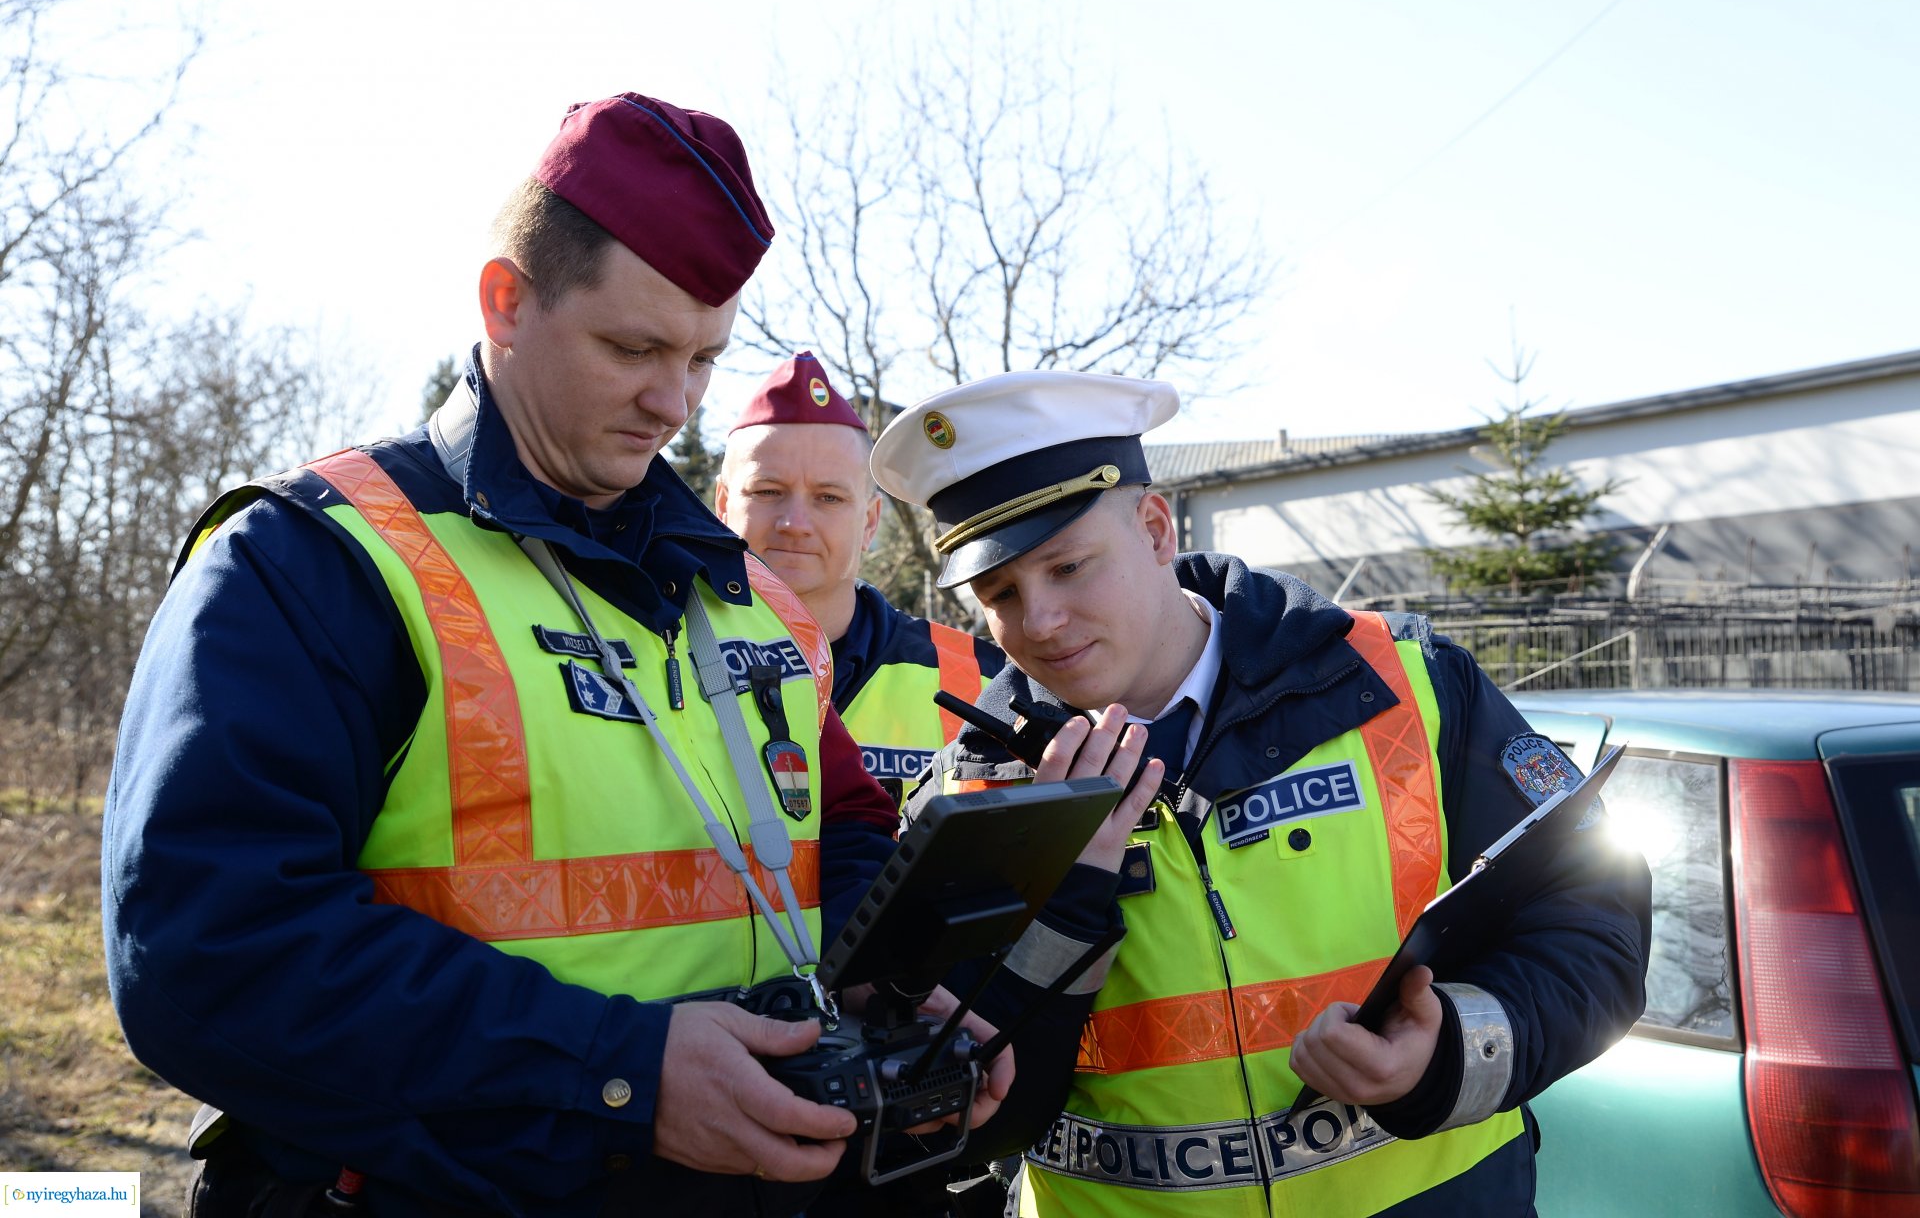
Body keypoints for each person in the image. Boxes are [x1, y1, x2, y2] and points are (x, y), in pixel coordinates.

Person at [101, 92, 1007, 1218]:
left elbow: (845, 833)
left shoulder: (749, 596)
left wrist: (898, 985)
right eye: (634, 346)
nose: (672, 405)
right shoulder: (314, 562)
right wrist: (616, 1071)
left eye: (704, 359)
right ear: (507, 301)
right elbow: (206, 953)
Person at [871, 371, 1653, 1217]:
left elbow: (1594, 920)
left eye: (1068, 566)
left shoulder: (1407, 684)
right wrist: (1063, 906)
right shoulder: (970, 792)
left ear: (1154, 527)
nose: (1041, 621)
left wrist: (1453, 1054)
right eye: (1001, 595)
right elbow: (952, 1118)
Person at [715, 352, 1004, 805]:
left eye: (828, 498)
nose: (795, 523)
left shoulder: (984, 683)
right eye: (767, 491)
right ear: (722, 504)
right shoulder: (655, 658)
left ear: (870, 522)